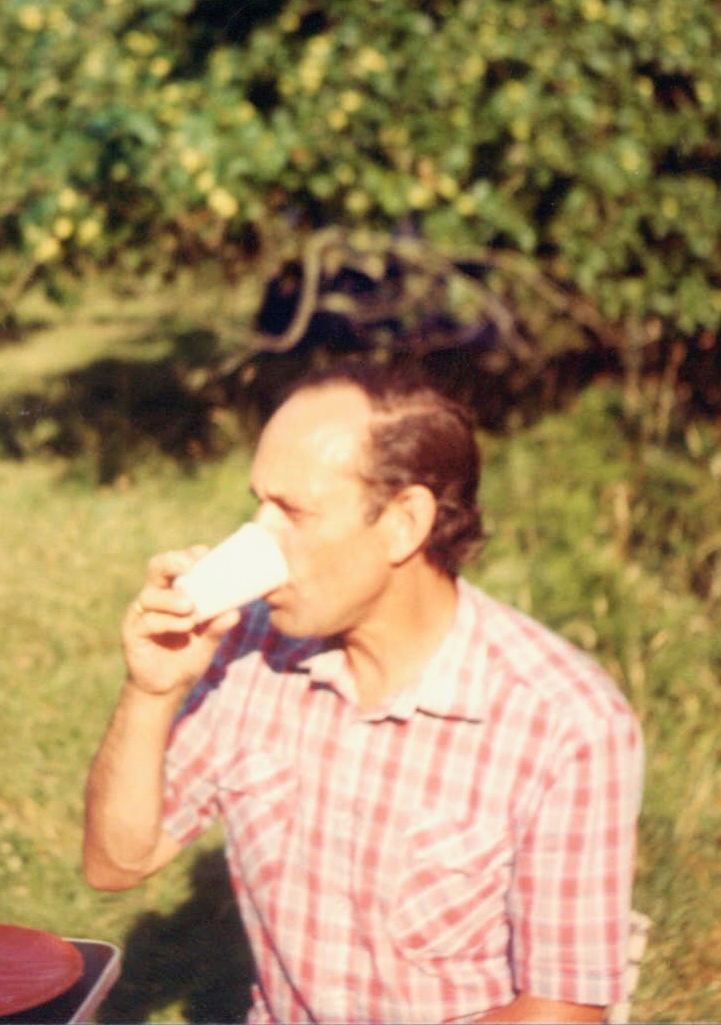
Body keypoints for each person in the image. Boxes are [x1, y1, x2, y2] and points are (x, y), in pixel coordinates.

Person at [83, 362, 643, 1023]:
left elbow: (560, 1013)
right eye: (259, 503)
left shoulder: (568, 724)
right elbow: (115, 864)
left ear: (405, 522)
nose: (257, 537)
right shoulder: (247, 646)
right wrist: (152, 691)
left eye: (293, 512)